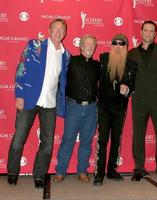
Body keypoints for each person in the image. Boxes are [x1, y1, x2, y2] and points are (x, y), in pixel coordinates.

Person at [7, 19, 70, 188]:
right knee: (19, 137)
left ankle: (39, 175)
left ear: (65, 33)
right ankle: (12, 171)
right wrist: (19, 94)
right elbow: (21, 68)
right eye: (55, 28)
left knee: (47, 143)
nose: (58, 32)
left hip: (50, 103)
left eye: (62, 29)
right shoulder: (35, 45)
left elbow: (63, 82)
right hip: (28, 98)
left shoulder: (66, 55)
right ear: (49, 30)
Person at [128, 20, 157, 181]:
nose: (148, 33)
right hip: (139, 100)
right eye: (145, 30)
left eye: (151, 31)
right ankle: (139, 168)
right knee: (138, 135)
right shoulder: (131, 53)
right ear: (141, 32)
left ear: (155, 34)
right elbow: (128, 77)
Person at [53, 35, 99, 183]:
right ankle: (60, 171)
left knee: (86, 141)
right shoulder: (70, 61)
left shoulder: (98, 65)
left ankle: (82, 171)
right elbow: (59, 79)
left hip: (92, 108)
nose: (90, 46)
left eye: (92, 44)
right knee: (68, 139)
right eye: (87, 43)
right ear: (81, 46)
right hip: (73, 107)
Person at [94, 34, 137, 186]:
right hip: (104, 106)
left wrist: (127, 90)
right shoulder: (104, 58)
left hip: (120, 107)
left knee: (116, 140)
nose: (118, 46)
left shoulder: (132, 64)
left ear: (126, 47)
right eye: (115, 43)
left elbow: (133, 87)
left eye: (122, 44)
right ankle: (99, 173)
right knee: (103, 139)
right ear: (111, 46)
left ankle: (111, 170)